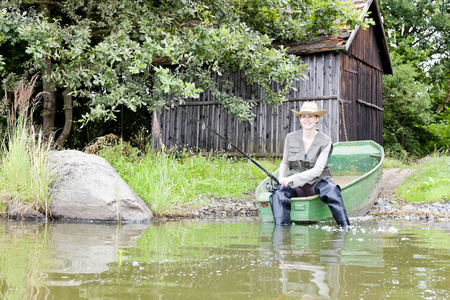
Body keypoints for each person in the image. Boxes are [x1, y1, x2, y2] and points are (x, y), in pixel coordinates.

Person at [269, 101, 350, 228]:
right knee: (278, 193)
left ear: (317, 118)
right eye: (303, 116)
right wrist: (281, 178)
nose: (307, 119)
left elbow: (318, 170)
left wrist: (292, 178)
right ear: (300, 119)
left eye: (311, 116)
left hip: (317, 181)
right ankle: (281, 234)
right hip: (295, 183)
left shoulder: (326, 140)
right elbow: (285, 161)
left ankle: (346, 228)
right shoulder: (290, 137)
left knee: (332, 190)